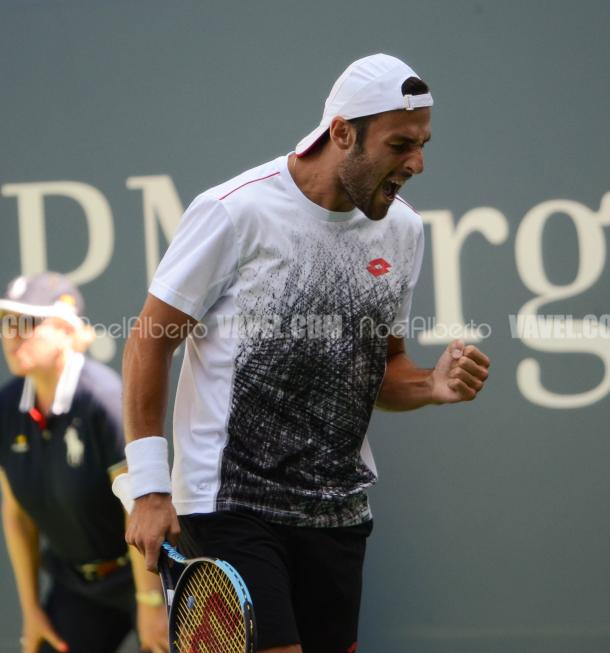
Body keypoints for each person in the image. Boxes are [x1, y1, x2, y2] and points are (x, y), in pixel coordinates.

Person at [122, 53, 491, 653]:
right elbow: (148, 340)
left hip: (337, 514)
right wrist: (148, 487)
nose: (417, 163)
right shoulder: (234, 212)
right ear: (342, 132)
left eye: (422, 144)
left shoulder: (404, 232)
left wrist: (431, 386)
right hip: (230, 503)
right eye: (401, 144)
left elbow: (381, 370)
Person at [0, 272, 168, 653]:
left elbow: (137, 508)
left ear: (64, 329)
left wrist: (151, 604)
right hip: (77, 587)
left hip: (143, 577)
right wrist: (30, 609)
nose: (12, 335)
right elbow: (16, 513)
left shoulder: (104, 401)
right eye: (6, 323)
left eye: (26, 323)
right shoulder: (7, 408)